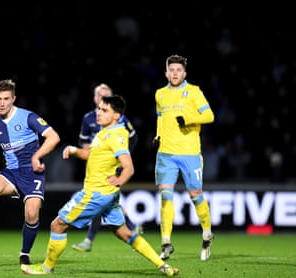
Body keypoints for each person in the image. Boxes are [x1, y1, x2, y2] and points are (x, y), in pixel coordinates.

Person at [22, 95, 179, 276]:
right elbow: (91, 155)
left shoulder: (116, 135)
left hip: (95, 193)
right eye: (99, 109)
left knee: (57, 225)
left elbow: (128, 167)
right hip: (108, 195)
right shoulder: (105, 132)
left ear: (117, 116)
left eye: (105, 110)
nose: (99, 113)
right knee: (125, 233)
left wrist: (120, 180)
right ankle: (163, 266)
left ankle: (46, 268)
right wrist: (74, 151)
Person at [0, 79, 60, 269]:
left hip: (32, 173)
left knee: (32, 213)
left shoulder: (28, 117)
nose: (2, 103)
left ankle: (24, 254)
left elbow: (54, 137)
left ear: (13, 99)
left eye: (6, 99)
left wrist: (37, 156)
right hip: (12, 172)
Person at [153, 54, 215, 261]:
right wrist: (158, 135)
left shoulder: (194, 92)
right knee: (165, 196)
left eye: (179, 70)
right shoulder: (160, 94)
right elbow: (160, 118)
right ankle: (166, 242)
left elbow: (209, 116)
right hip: (166, 154)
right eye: (172, 70)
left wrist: (188, 119)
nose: (175, 73)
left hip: (189, 153)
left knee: (196, 195)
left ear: (184, 73)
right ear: (166, 73)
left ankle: (207, 234)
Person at [72, 83, 142, 252]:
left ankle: (89, 240)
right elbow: (85, 144)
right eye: (99, 95)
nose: (101, 98)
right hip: (96, 166)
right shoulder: (88, 118)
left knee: (100, 199)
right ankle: (132, 228)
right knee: (107, 201)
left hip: (113, 166)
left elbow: (133, 138)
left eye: (105, 95)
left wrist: (120, 159)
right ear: (94, 98)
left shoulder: (120, 119)